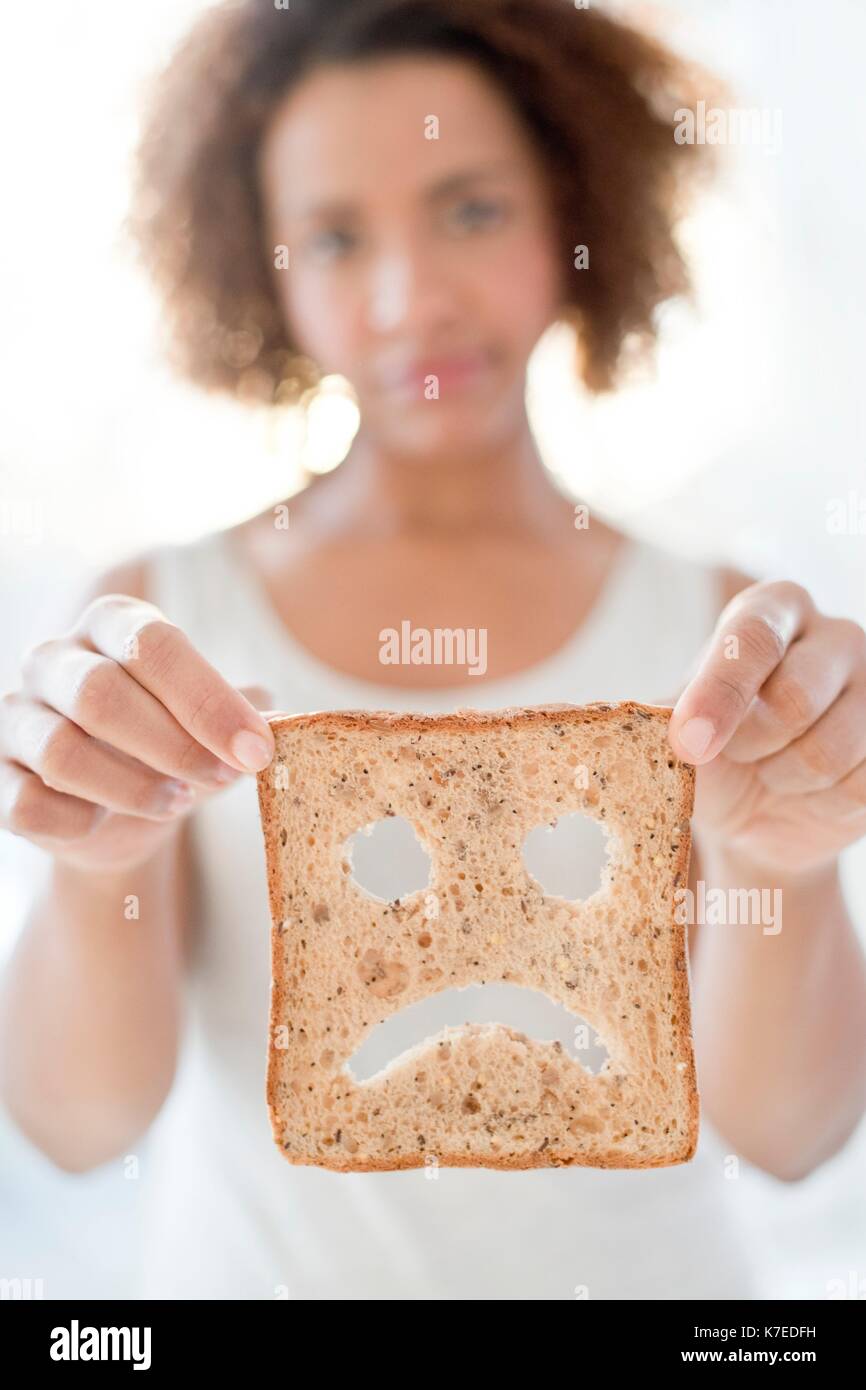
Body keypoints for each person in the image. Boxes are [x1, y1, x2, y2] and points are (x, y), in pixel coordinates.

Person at [1, 0, 865, 1300]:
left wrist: (783, 870)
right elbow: (76, 1128)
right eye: (336, 237)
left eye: (469, 209)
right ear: (264, 269)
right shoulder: (160, 626)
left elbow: (789, 1136)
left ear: (571, 210)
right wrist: (92, 866)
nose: (411, 299)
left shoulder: (724, 638)